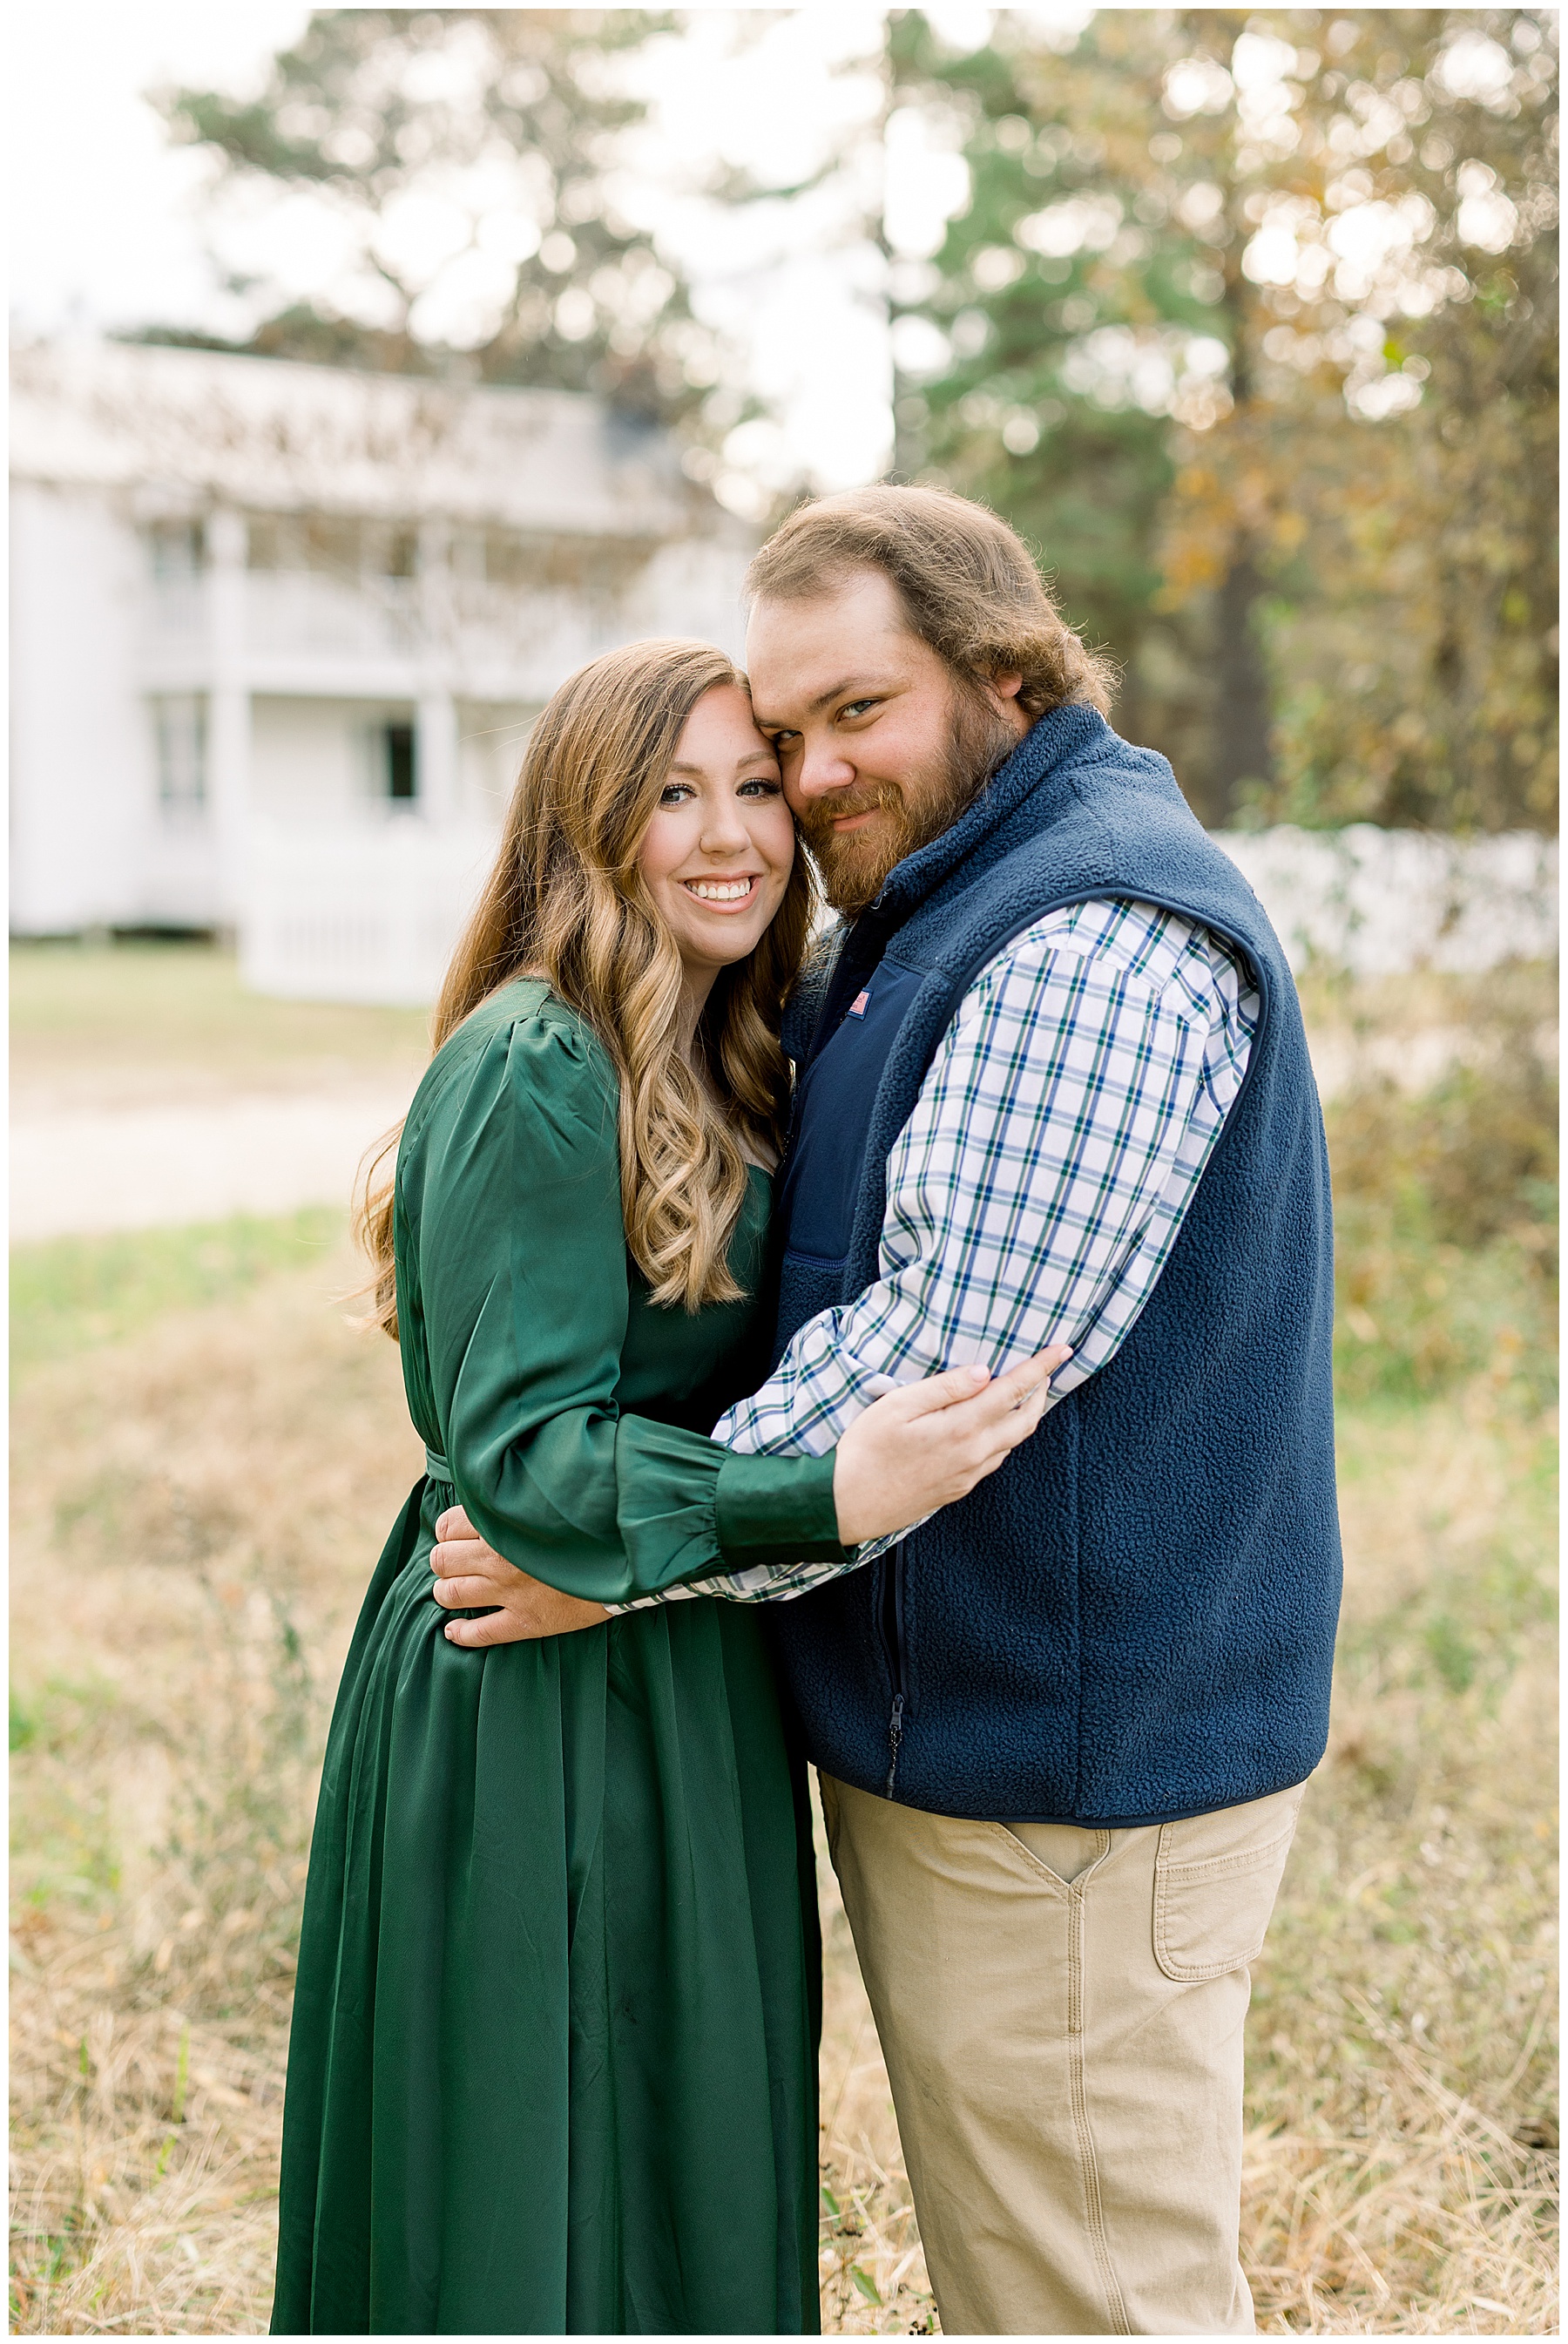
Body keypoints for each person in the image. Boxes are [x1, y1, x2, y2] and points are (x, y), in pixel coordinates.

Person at [437, 487, 1343, 2335]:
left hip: (1070, 1781)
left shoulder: (1091, 935)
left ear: (1008, 677)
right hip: (980, 1750)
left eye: (860, 710)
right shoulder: (929, 902)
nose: (813, 774)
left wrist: (621, 1553)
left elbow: (943, 1358)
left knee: (1087, 2293)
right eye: (784, 732)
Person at [270, 635, 1064, 2336]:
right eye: (672, 796)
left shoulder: (735, 1049)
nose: (729, 836)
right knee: (527, 2198)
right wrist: (821, 1492)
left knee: (682, 2176)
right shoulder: (538, 1063)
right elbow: (530, 1459)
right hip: (532, 1686)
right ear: (588, 827)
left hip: (684, 1664)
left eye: (755, 789)